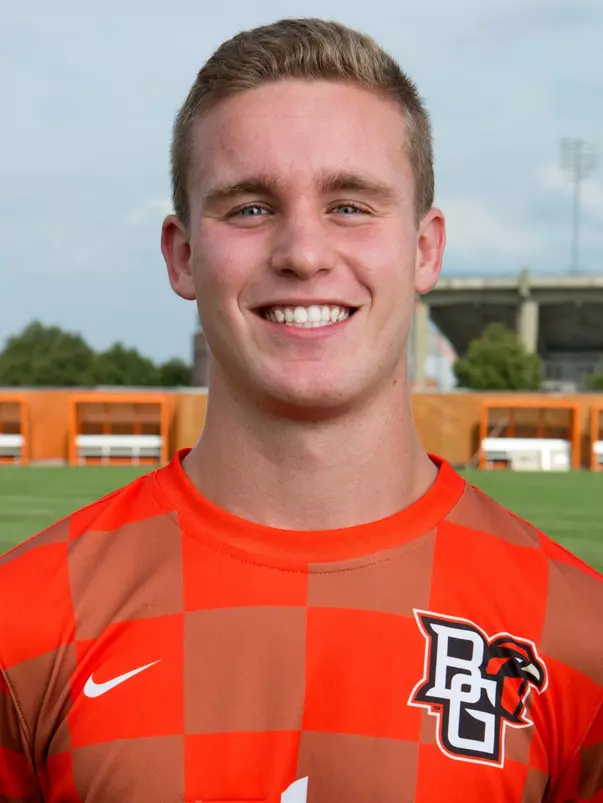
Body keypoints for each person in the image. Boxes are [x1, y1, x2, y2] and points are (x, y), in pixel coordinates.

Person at [0, 17, 601, 803]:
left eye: (350, 204)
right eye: (250, 208)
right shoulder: (23, 619)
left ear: (424, 248)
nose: (304, 253)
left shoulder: (579, 636)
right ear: (182, 255)